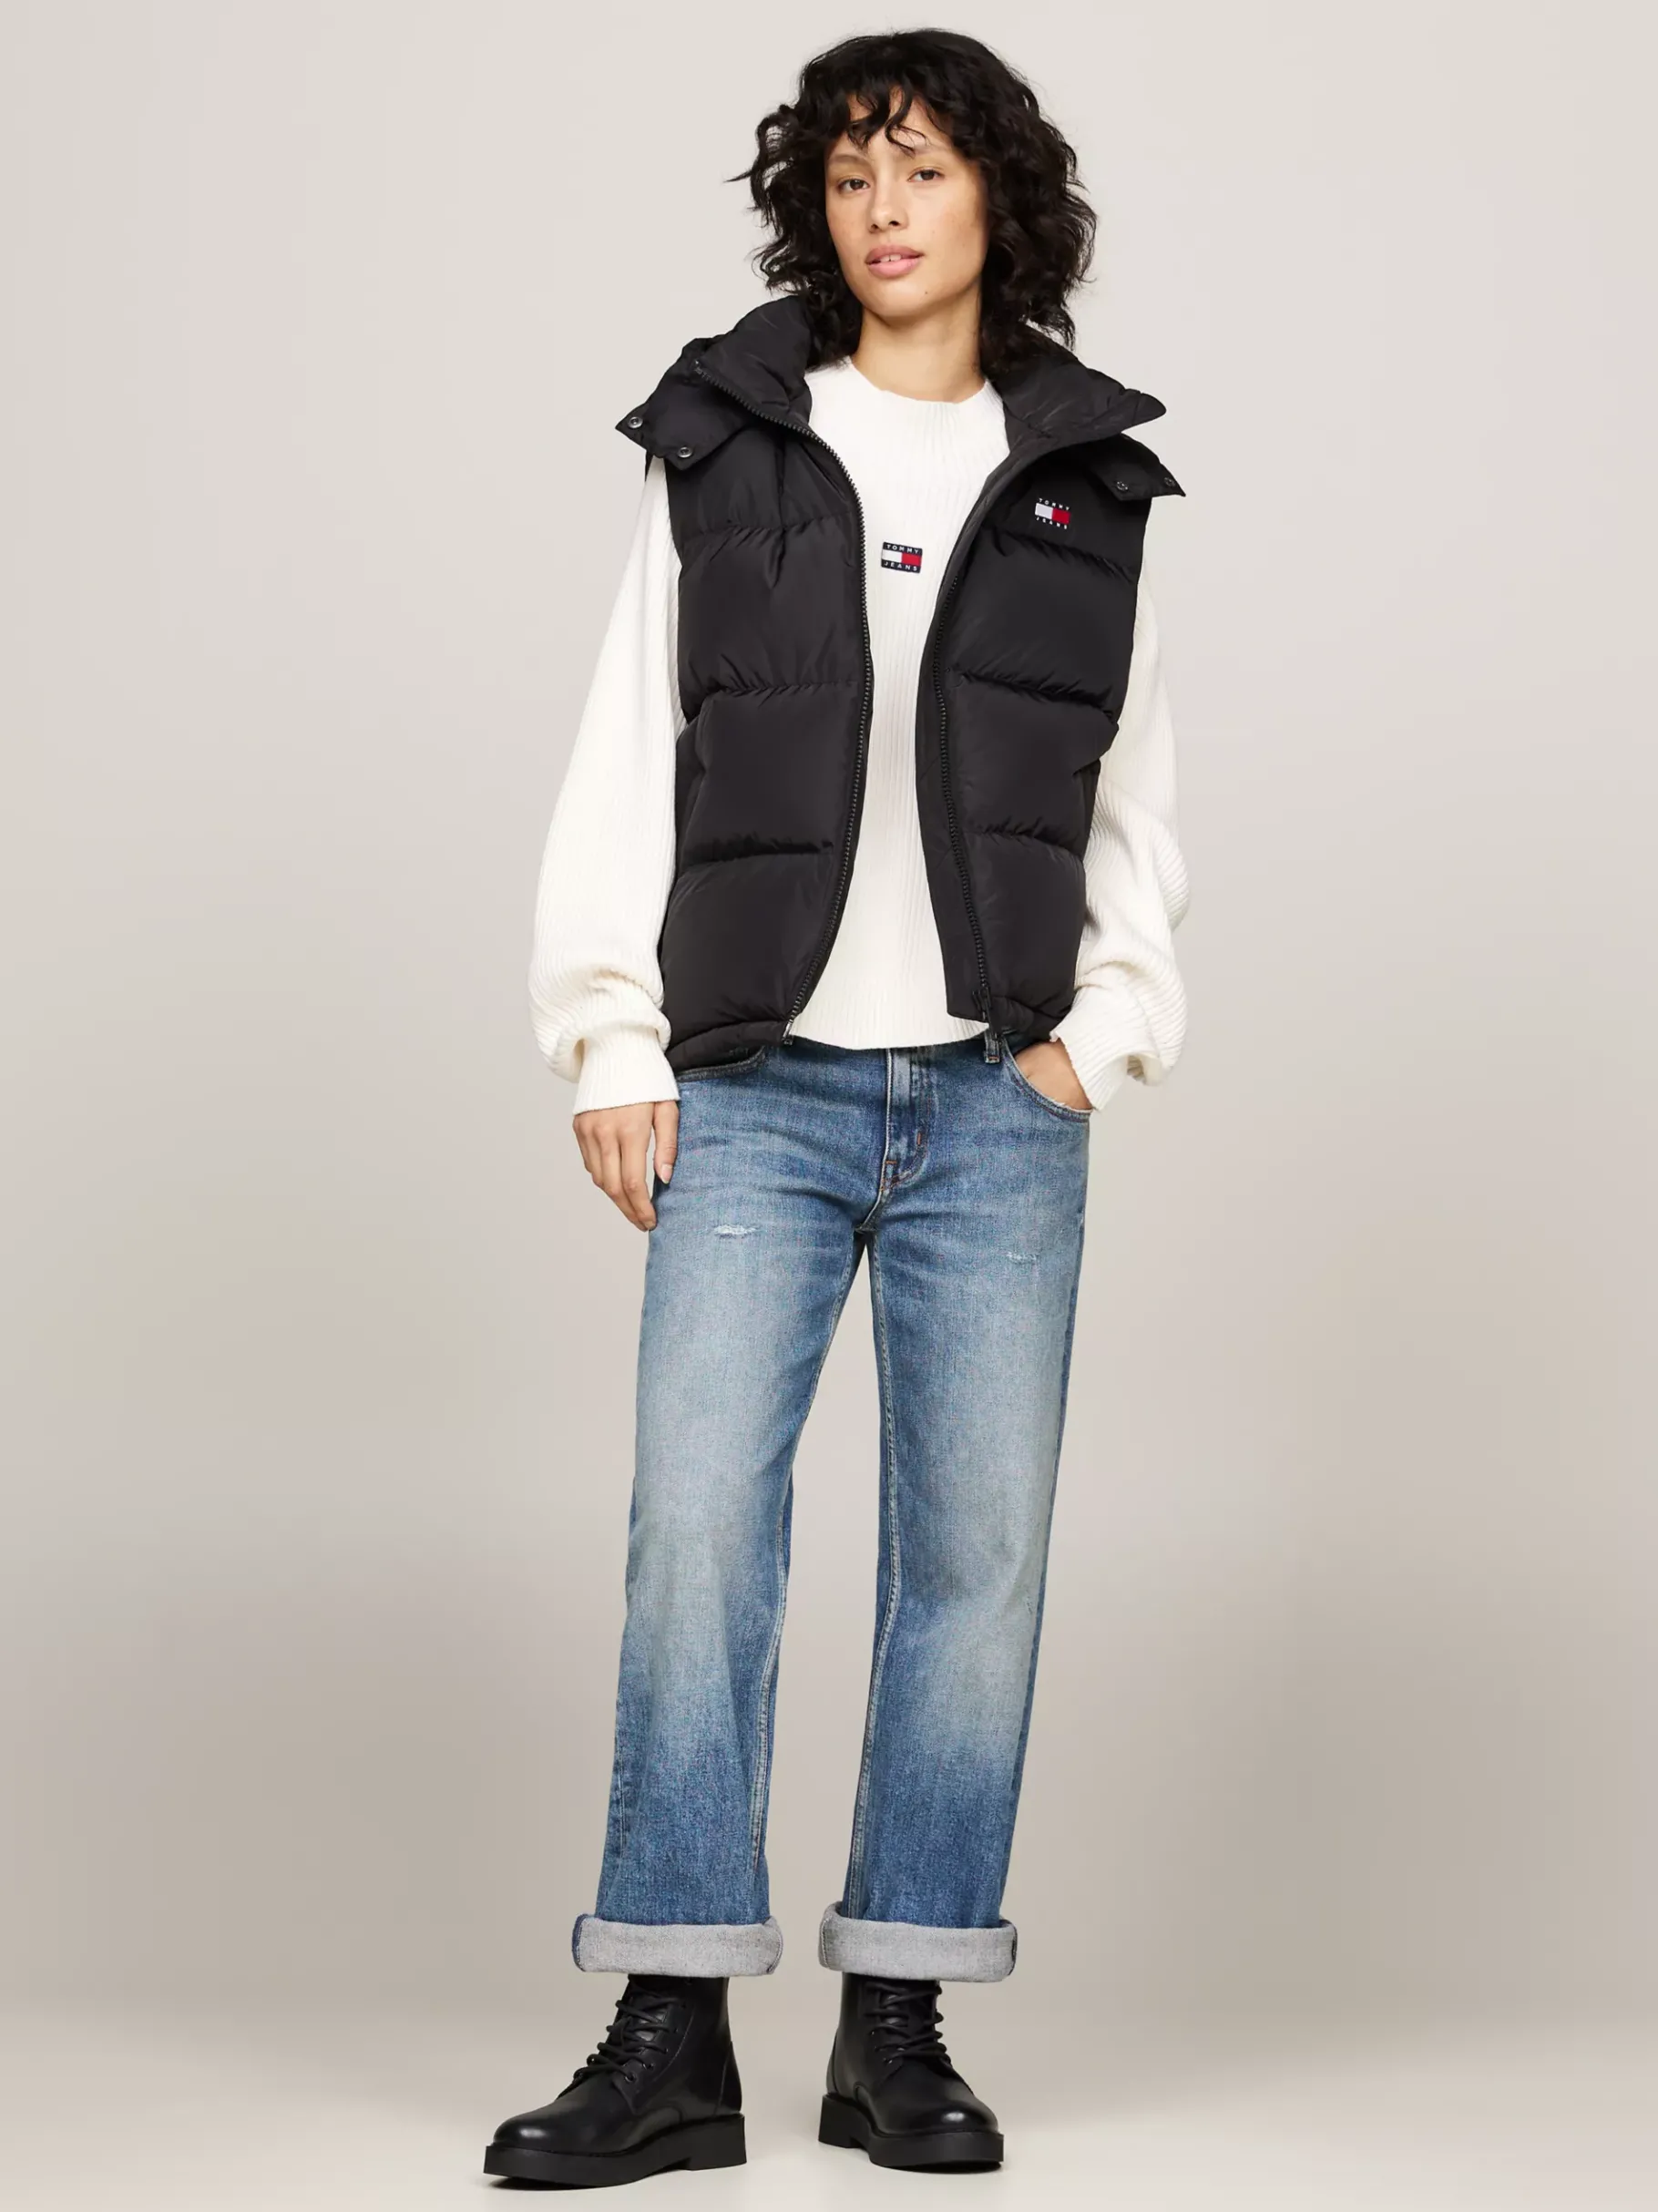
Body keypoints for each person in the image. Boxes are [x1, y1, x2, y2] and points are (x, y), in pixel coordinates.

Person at [485, 27, 1191, 2187]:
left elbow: (1130, 783)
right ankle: (671, 2021)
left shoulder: (1083, 475)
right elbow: (630, 736)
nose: (885, 208)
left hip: (996, 1098)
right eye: (852, 171)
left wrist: (1109, 1024)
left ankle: (898, 2020)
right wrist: (611, 1032)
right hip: (755, 1086)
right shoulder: (727, 440)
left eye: (926, 169)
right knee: (699, 1529)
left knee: (973, 1562)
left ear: (998, 203)